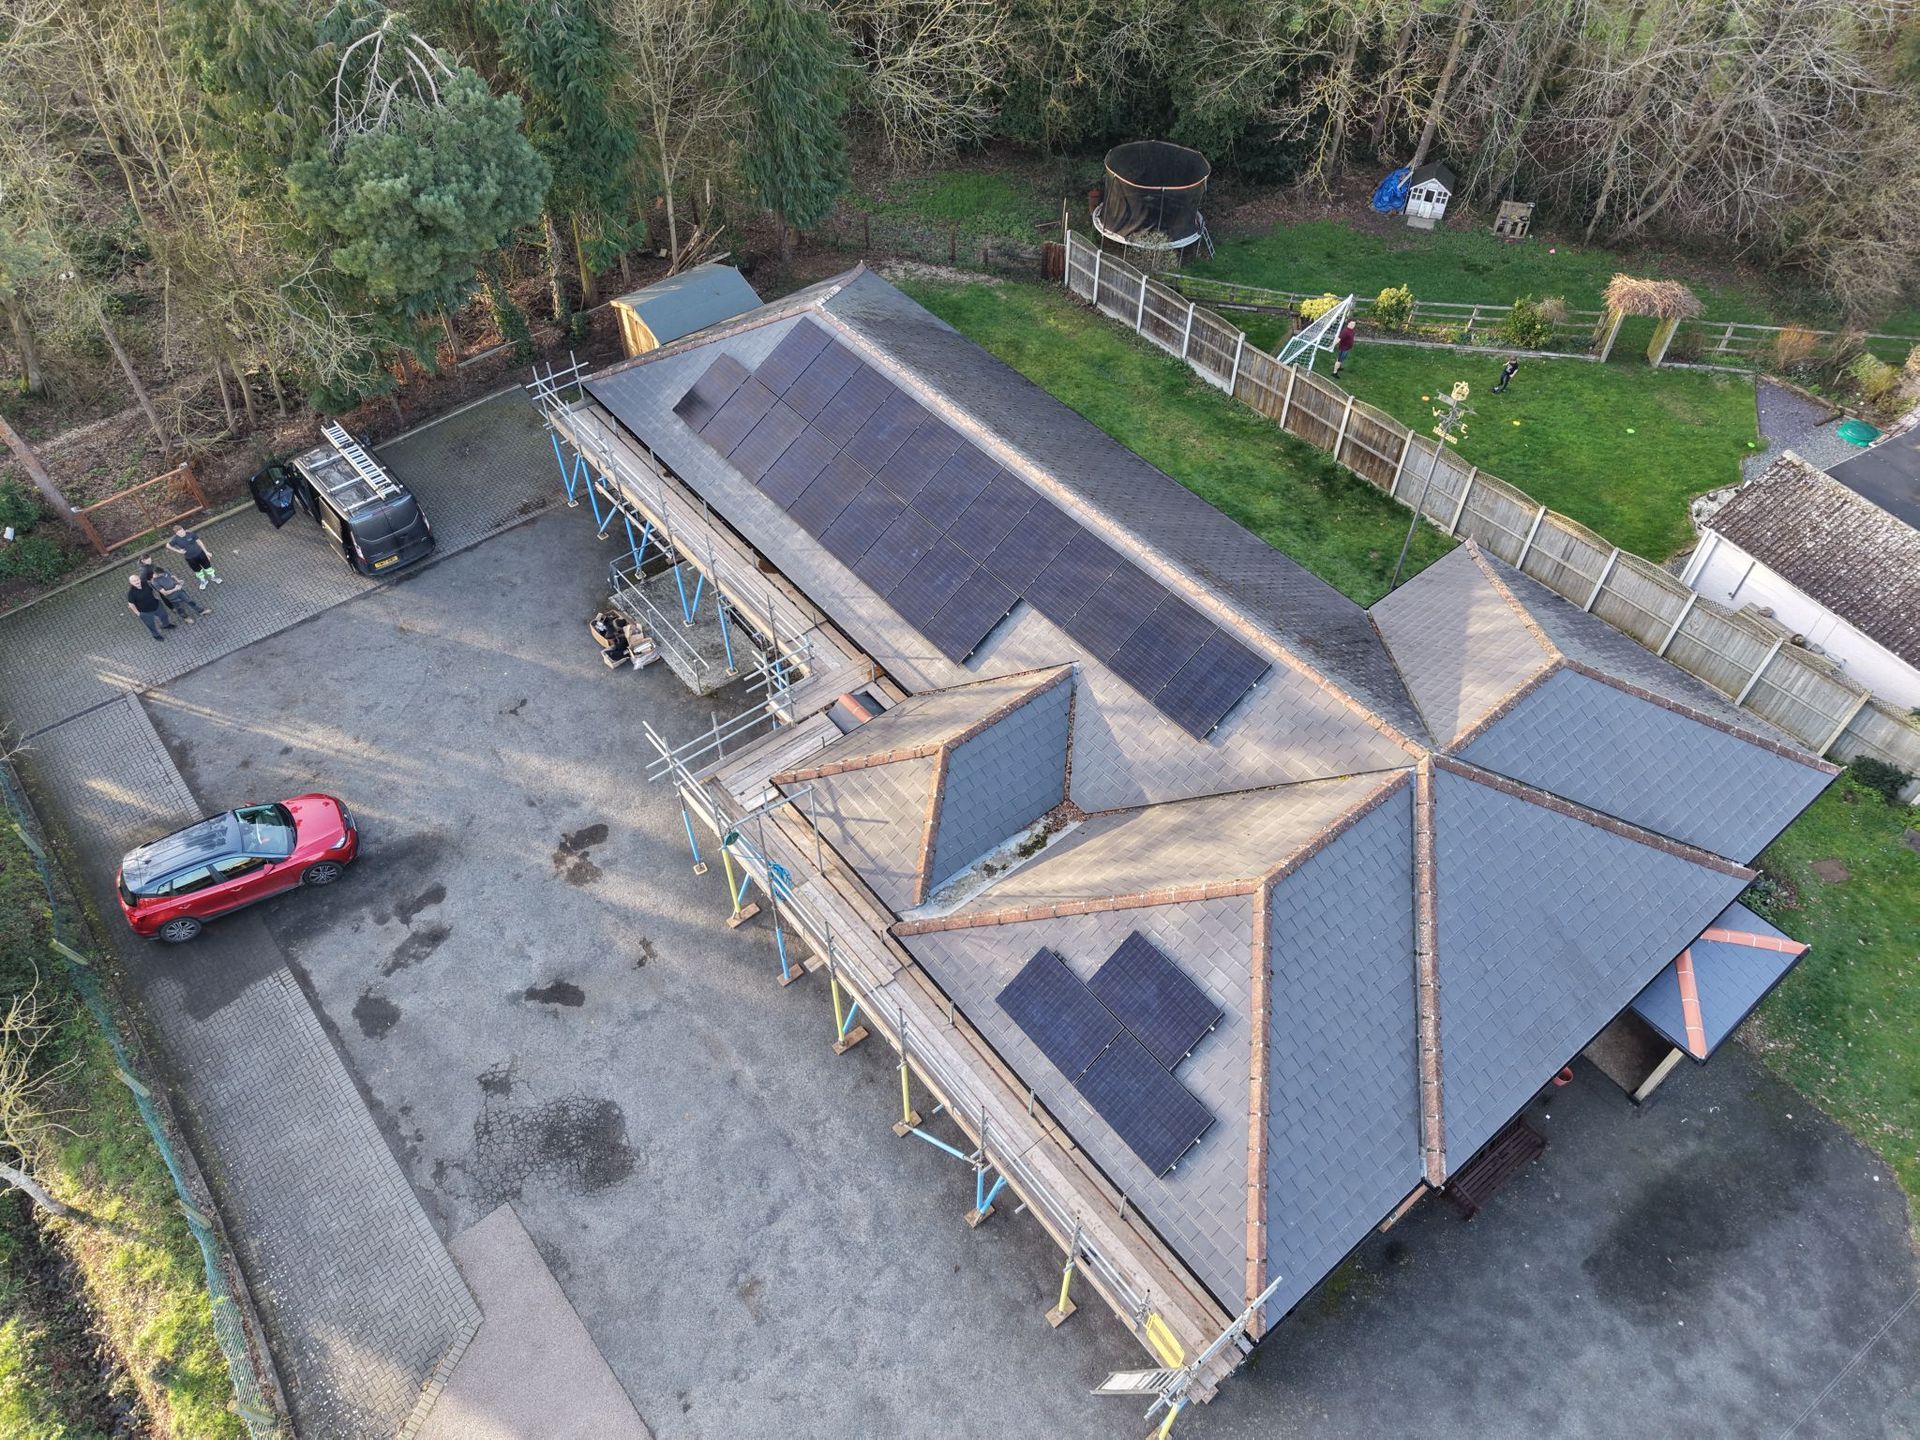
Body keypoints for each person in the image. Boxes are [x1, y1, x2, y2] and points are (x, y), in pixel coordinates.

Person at [126, 573, 173, 641]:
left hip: (156, 605)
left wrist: (156, 597)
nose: (136, 582)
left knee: (164, 616)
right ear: (131, 583)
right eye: (134, 581)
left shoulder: (145, 583)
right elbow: (131, 604)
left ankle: (166, 625)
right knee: (150, 624)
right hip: (145, 612)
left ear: (139, 579)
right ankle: (156, 635)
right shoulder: (131, 593)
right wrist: (137, 613)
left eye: (137, 579)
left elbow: (152, 590)